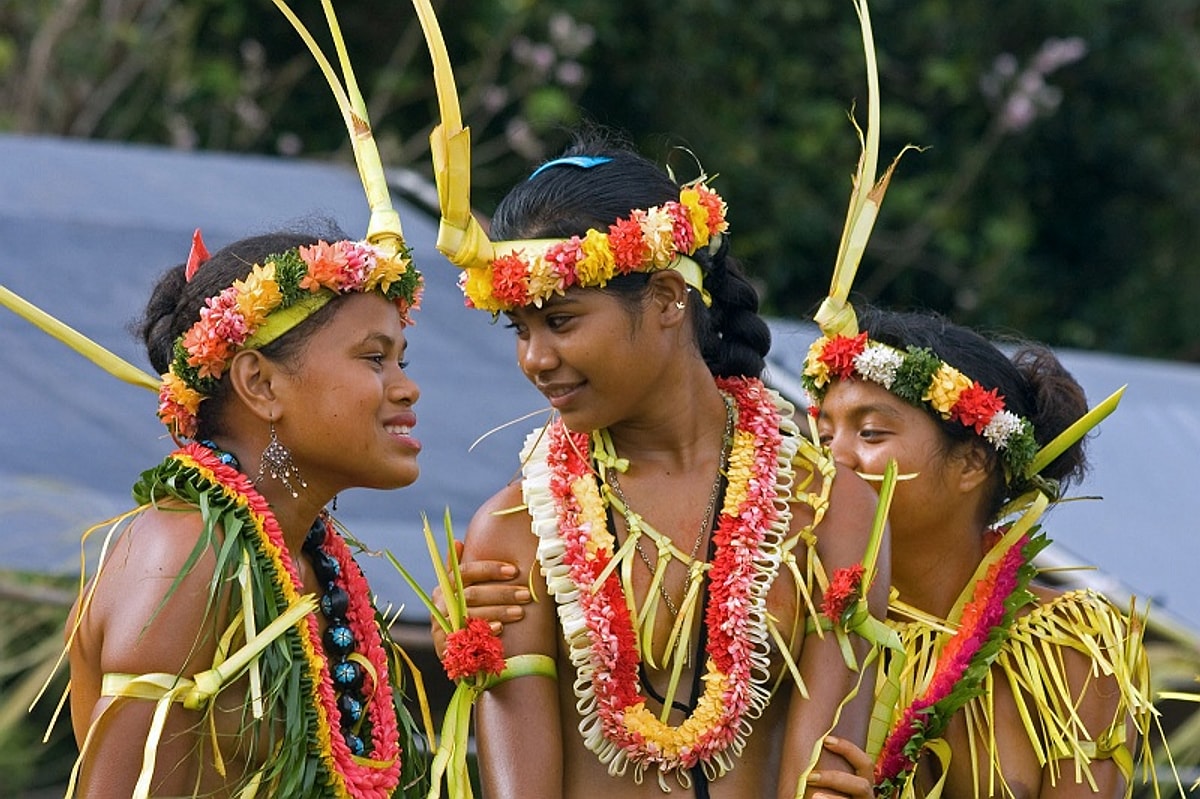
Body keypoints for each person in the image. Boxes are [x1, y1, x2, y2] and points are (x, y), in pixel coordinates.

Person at [435, 130, 888, 799]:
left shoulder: (826, 506)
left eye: (560, 321)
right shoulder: (513, 533)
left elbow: (824, 772)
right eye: (520, 330)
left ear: (670, 299)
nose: (534, 358)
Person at [56, 226, 428, 797]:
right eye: (375, 358)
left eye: (401, 359)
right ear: (260, 382)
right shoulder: (183, 557)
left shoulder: (307, 561)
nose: (407, 389)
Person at [801, 306, 1156, 799]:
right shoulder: (804, 628)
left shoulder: (1071, 647)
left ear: (971, 462)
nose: (833, 458)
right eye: (824, 436)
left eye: (871, 433)